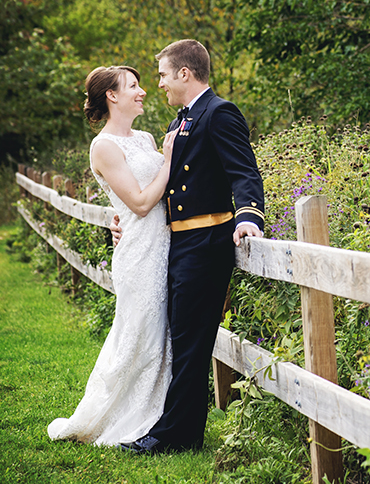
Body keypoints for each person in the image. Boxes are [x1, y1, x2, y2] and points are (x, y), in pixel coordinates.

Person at [119, 39, 265, 454]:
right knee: (181, 337)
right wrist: (124, 221)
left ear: (185, 73)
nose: (160, 84)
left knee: (190, 340)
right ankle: (180, 431)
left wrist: (249, 215)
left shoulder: (219, 113)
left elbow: (244, 172)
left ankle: (172, 436)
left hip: (205, 243)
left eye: (164, 74)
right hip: (177, 243)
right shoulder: (177, 122)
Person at [48, 66, 177, 446]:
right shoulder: (103, 146)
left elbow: (154, 193)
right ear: (112, 96)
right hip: (138, 253)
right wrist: (169, 160)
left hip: (164, 246)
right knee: (138, 334)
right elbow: (138, 202)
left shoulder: (146, 137)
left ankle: (160, 413)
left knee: (160, 335)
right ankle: (122, 417)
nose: (142, 92)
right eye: (133, 87)